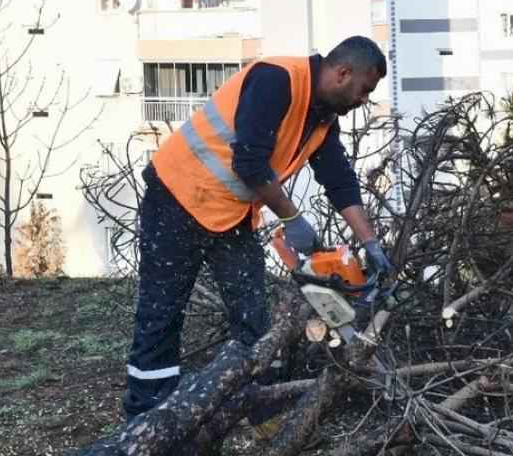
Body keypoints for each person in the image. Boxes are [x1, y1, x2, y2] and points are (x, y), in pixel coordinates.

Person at [123, 36, 395, 431]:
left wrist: (370, 242)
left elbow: (339, 180)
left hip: (231, 213)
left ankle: (263, 413)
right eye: (364, 90)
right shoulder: (276, 79)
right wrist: (292, 219)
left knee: (254, 317)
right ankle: (145, 424)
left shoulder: (321, 118)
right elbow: (248, 161)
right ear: (342, 73)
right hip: (177, 196)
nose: (364, 100)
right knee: (161, 313)